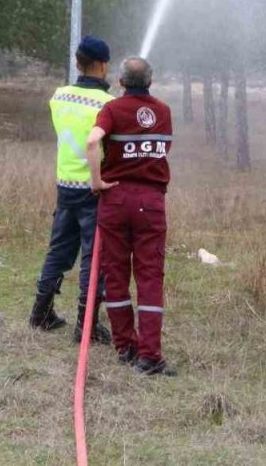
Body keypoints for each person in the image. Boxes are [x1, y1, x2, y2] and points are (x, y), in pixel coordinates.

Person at [87, 56, 175, 376]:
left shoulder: (111, 110)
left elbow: (93, 140)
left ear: (121, 82)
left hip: (114, 198)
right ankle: (150, 355)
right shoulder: (163, 112)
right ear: (150, 82)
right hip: (151, 201)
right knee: (150, 277)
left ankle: (125, 346)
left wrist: (96, 181)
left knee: (116, 274)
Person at [30, 36, 115, 344]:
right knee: (94, 260)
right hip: (95, 189)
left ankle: (40, 313)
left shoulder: (59, 97)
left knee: (58, 252)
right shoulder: (108, 105)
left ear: (78, 63)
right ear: (104, 65)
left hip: (65, 185)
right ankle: (86, 325)